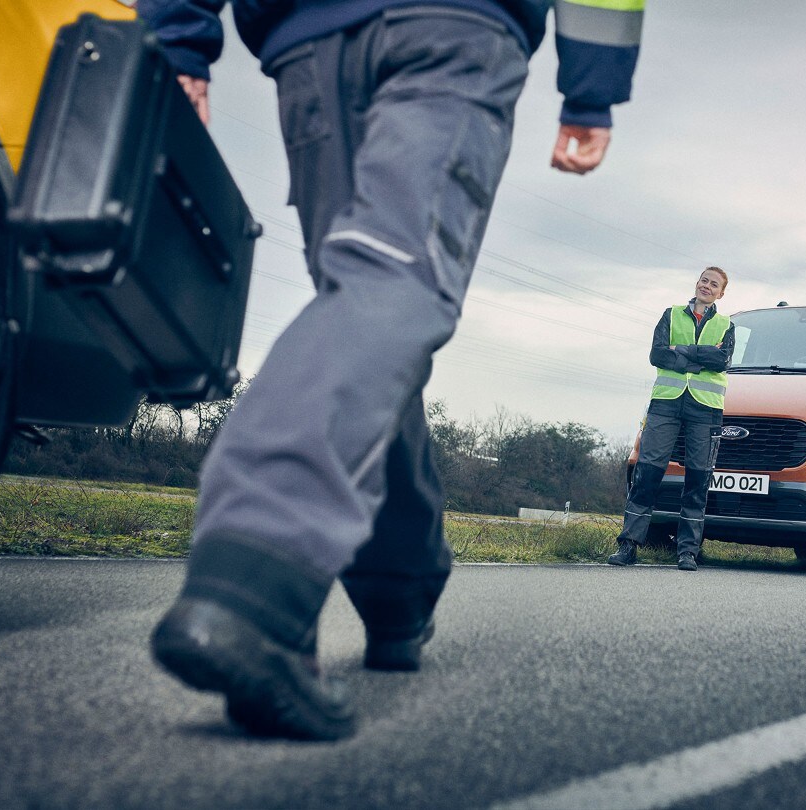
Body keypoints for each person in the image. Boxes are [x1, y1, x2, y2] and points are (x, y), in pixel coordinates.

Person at [139, 0, 643, 741]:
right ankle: (255, 579)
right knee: (391, 288)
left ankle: (396, 589)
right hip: (452, 28)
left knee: (370, 305)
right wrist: (593, 87)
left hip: (306, 39)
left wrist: (177, 32)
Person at [608, 267, 734, 572]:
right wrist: (701, 355)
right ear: (697, 283)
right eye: (704, 280)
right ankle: (629, 545)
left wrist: (681, 349)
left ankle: (687, 551)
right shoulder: (671, 314)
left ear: (721, 292)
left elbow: (723, 360)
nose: (706, 285)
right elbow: (657, 355)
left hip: (705, 408)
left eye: (713, 284)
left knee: (697, 480)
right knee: (647, 473)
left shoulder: (726, 325)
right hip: (666, 403)